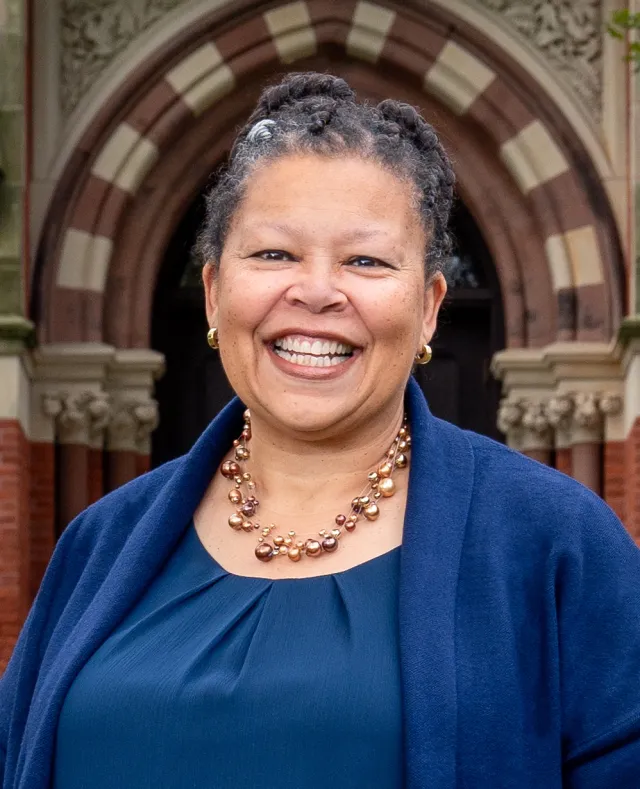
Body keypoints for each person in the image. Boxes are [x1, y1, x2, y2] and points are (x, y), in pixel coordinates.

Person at [2, 72, 640, 789]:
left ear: (429, 308)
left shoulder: (554, 542)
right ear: (214, 293)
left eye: (366, 260)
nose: (314, 291)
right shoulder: (99, 543)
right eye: (274, 254)